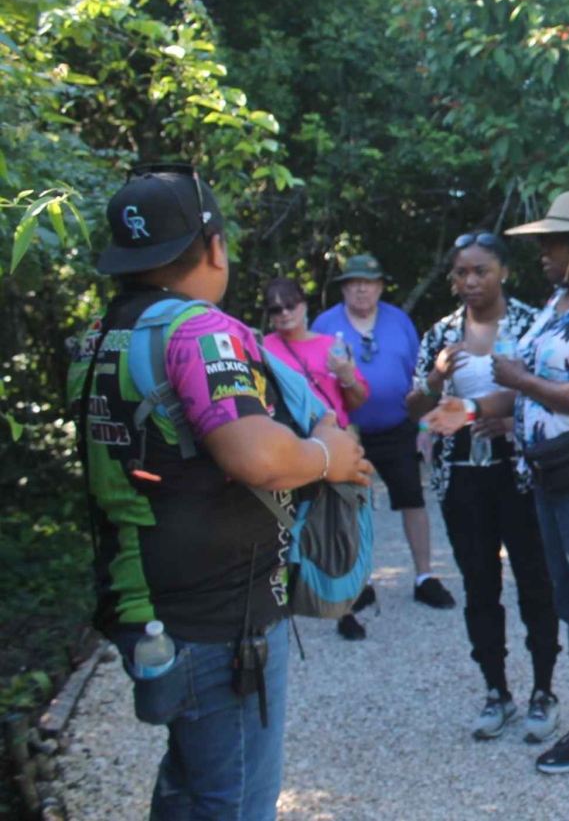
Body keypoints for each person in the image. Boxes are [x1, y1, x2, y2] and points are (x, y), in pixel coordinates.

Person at [68, 164, 371, 820]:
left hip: (142, 603)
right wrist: (328, 455)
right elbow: (256, 455)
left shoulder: (100, 338)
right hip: (220, 621)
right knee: (230, 799)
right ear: (213, 246)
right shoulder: (199, 331)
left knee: (189, 785)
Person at [422, 192, 569, 809]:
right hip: (552, 476)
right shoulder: (562, 302)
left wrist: (517, 379)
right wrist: (471, 409)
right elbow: (526, 396)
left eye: (551, 246)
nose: (544, 257)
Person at [405, 232, 563, 744]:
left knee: (535, 580)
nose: (469, 282)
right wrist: (434, 378)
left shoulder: (531, 323)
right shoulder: (442, 334)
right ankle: (496, 691)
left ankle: (544, 690)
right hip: (461, 476)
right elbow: (416, 409)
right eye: (460, 273)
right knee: (479, 585)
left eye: (481, 271)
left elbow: (552, 395)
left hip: (519, 472)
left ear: (504, 273)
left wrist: (508, 418)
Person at [312, 254, 455, 610]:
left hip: (398, 426)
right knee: (353, 507)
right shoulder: (324, 324)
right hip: (347, 432)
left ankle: (425, 576)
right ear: (344, 288)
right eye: (353, 282)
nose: (361, 289)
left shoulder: (399, 320)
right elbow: (313, 380)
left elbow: (420, 377)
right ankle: (361, 582)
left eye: (369, 282)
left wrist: (425, 425)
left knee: (413, 499)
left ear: (379, 287)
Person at [261, 276, 375, 641]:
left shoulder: (332, 346)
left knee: (342, 527)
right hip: (290, 449)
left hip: (336, 447)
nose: (284, 314)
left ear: (304, 305)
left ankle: (347, 604)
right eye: (274, 308)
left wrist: (345, 377)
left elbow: (356, 401)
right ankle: (292, 596)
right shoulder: (262, 350)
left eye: (289, 305)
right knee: (291, 526)